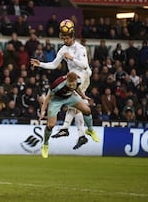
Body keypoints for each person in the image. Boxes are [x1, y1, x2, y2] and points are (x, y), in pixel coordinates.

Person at [30, 19, 99, 149]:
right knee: (75, 105)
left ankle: (68, 128)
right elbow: (54, 65)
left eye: (66, 38)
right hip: (72, 79)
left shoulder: (80, 48)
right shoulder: (63, 50)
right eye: (63, 38)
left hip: (83, 76)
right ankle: (80, 134)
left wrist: (72, 58)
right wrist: (41, 64)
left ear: (72, 36)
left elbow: (85, 66)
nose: (64, 41)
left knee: (75, 102)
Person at [39, 72, 97, 158]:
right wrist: (43, 111)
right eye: (69, 84)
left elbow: (77, 88)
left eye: (73, 84)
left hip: (70, 97)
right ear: (67, 80)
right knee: (50, 125)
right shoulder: (57, 85)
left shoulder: (78, 80)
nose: (71, 86)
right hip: (56, 100)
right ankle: (45, 145)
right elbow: (48, 98)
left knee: (87, 110)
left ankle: (90, 130)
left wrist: (83, 96)